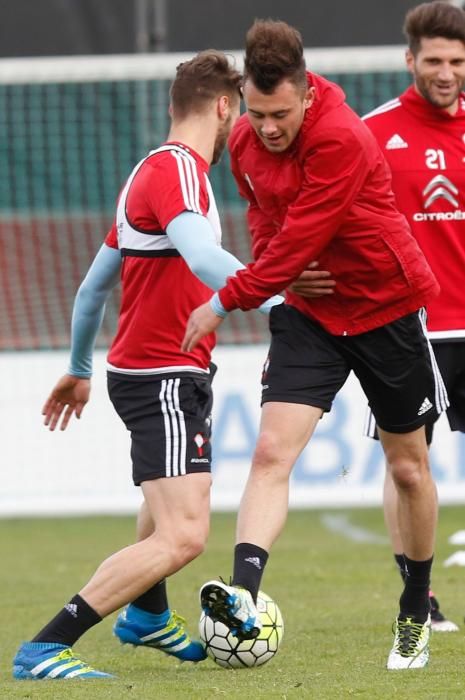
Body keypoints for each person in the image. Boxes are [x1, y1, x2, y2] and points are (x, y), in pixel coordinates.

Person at [12, 48, 288, 681]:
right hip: (162, 374)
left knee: (164, 515)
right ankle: (46, 647)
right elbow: (199, 255)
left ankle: (146, 616)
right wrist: (280, 300)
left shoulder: (146, 172)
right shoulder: (181, 174)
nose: (238, 128)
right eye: (238, 114)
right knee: (185, 535)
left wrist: (80, 367)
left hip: (157, 369)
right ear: (224, 106)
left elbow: (91, 290)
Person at [182, 19, 449, 671]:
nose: (267, 128)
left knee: (408, 468)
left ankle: (414, 608)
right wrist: (274, 263)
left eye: (280, 114)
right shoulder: (244, 138)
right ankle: (243, 594)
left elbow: (302, 234)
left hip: (383, 306)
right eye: (256, 112)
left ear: (306, 93)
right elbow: (265, 220)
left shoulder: (342, 137)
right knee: (272, 451)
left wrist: (224, 299)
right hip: (310, 315)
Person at [362, 0, 465, 634]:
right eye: (434, 60)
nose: (447, 71)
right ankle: (418, 596)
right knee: (407, 467)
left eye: (457, 60)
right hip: (410, 328)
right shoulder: (374, 132)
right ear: (410, 60)